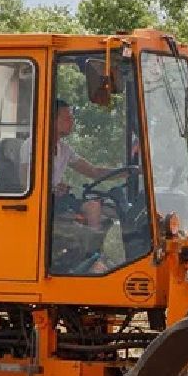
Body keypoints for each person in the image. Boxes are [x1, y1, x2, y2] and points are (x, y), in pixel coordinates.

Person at [50, 100, 114, 271]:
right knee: (86, 230)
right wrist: (51, 189)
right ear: (50, 119)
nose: (72, 122)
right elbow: (22, 181)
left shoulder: (64, 149)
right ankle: (92, 257)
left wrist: (127, 172)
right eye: (67, 118)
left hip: (61, 201)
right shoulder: (32, 146)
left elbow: (93, 171)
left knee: (95, 205)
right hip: (46, 207)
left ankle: (95, 256)